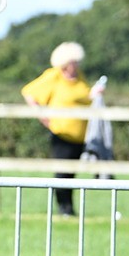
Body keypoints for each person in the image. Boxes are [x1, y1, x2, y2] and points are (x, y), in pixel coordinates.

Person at [21, 42, 105, 216]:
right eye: (74, 62)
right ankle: (63, 208)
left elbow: (84, 97)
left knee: (72, 174)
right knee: (62, 173)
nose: (77, 65)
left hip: (81, 136)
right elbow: (29, 93)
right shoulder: (54, 76)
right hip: (62, 134)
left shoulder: (80, 77)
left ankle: (69, 209)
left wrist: (95, 94)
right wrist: (43, 117)